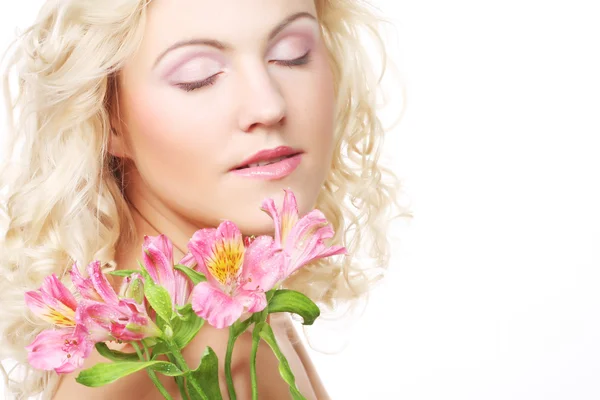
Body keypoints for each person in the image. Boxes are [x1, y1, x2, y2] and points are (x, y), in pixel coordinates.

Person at [0, 0, 410, 398]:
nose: (268, 105)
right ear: (107, 117)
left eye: (292, 54)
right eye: (199, 76)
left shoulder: (242, 315)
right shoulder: (186, 361)